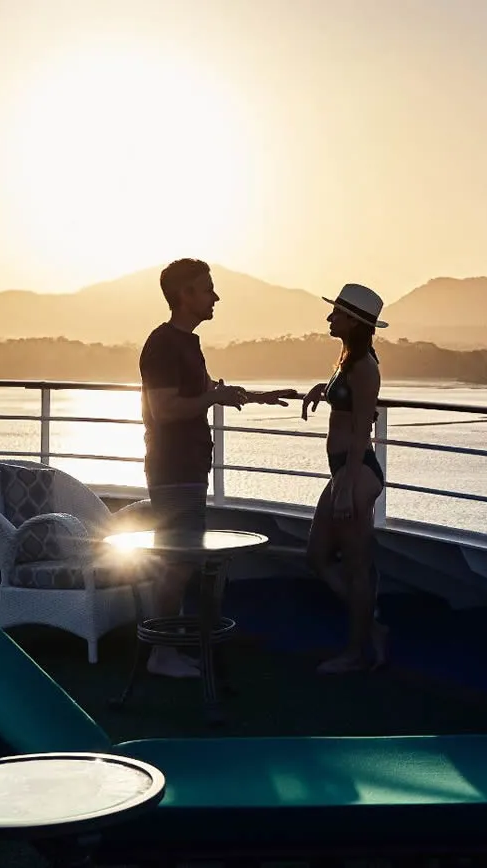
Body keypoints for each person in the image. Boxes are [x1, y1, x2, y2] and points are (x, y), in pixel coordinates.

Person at [139, 258, 297, 678]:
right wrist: (212, 400)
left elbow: (208, 392)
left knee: (184, 559)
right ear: (184, 295)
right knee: (178, 561)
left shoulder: (188, 343)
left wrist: (259, 397)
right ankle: (161, 653)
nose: (215, 296)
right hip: (172, 469)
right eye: (207, 288)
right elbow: (165, 408)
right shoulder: (162, 344)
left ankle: (172, 647)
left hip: (190, 466)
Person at [300, 282, 388, 674]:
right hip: (344, 471)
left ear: (353, 320)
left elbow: (360, 432)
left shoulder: (366, 367)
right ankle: (371, 629)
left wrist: (346, 485)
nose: (329, 317)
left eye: (336, 313)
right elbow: (349, 404)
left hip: (356, 472)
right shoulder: (349, 361)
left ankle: (357, 650)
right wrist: (324, 390)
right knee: (316, 556)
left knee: (354, 566)